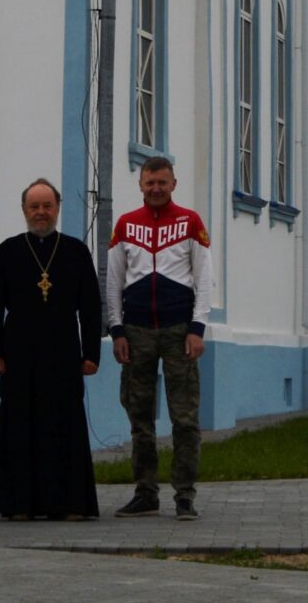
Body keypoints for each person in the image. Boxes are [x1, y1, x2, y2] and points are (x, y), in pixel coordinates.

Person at [0, 177, 102, 520]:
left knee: (66, 428)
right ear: (23, 210)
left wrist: (91, 353)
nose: (41, 213)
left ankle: (71, 504)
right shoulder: (8, 251)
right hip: (18, 354)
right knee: (20, 426)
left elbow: (91, 308)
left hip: (64, 353)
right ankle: (19, 504)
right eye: (34, 206)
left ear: (58, 208)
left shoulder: (76, 251)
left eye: (47, 206)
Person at [104, 155, 213, 520]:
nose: (155, 189)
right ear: (140, 185)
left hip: (179, 331)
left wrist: (198, 328)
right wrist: (116, 329)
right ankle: (145, 492)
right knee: (140, 416)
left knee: (185, 418)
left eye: (162, 182)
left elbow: (204, 278)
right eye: (149, 183)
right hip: (136, 333)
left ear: (173, 184)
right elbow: (114, 281)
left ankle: (184, 495)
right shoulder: (125, 225)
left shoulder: (190, 223)